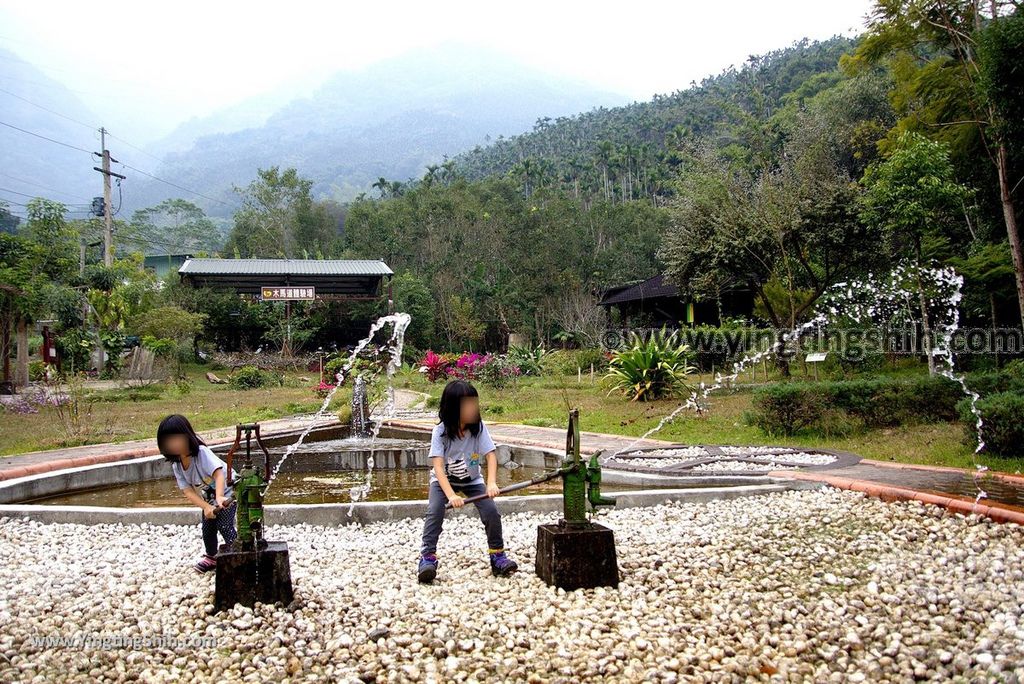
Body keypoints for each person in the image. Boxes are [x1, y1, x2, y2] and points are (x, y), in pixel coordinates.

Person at [418, 379, 519, 583]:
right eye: (468, 404)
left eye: (475, 403)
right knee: (435, 511)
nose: (474, 408)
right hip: (444, 482)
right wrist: (451, 495)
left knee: (491, 511)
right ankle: (427, 558)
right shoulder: (440, 432)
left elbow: (490, 455)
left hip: (472, 481)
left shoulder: (478, 428)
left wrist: (491, 482)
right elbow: (438, 467)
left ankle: (497, 555)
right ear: (453, 407)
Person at [157, 414, 238, 573]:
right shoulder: (177, 465)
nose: (173, 444)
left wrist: (220, 496)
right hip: (208, 498)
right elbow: (187, 491)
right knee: (207, 528)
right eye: (169, 442)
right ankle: (211, 556)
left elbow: (219, 474)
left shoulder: (201, 453)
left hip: (228, 492)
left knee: (224, 525)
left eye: (176, 439)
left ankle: (236, 553)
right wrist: (206, 507)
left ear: (187, 437)